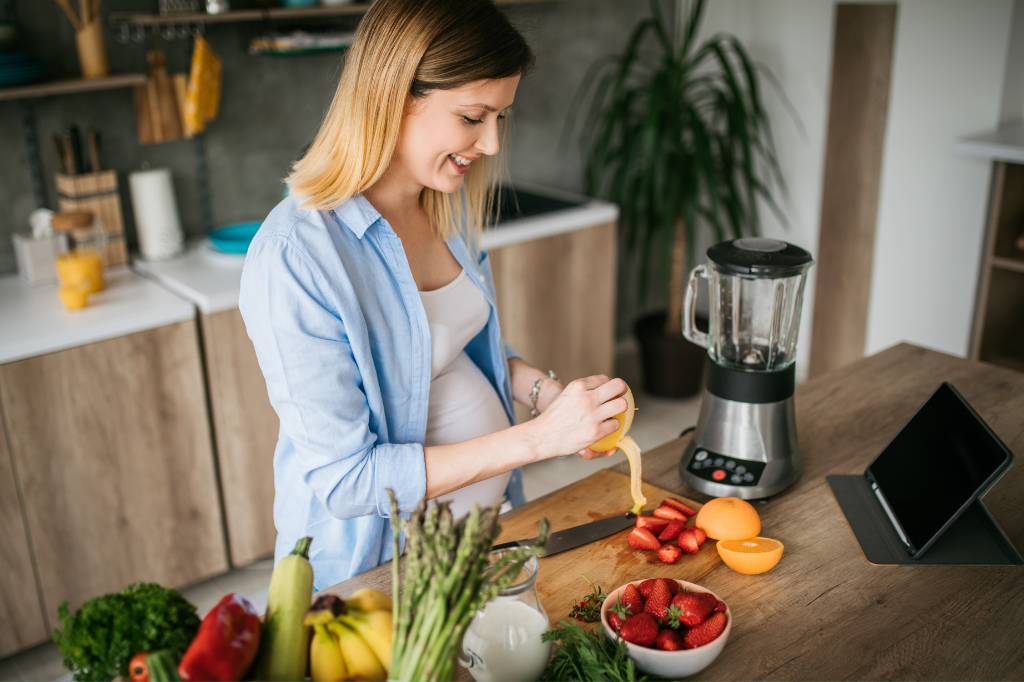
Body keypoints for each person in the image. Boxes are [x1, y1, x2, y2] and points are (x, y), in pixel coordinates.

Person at [240, 0, 627, 588]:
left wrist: (542, 391)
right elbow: (348, 481)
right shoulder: (296, 256)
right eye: (474, 117)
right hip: (379, 573)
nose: (492, 143)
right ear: (393, 96)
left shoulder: (446, 204)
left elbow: (451, 346)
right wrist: (538, 440)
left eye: (502, 117)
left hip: (480, 538)